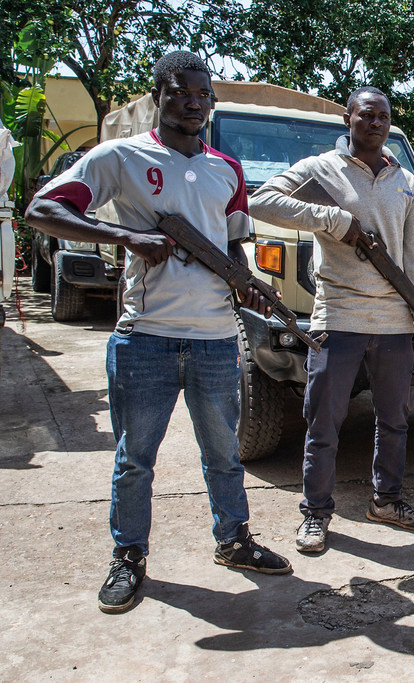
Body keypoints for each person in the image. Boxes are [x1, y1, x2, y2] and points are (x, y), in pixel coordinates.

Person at [25, 51, 292, 614]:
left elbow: (234, 246)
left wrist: (245, 284)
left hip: (216, 339)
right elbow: (42, 210)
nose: (194, 103)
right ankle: (129, 557)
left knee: (224, 454)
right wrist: (125, 237)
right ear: (159, 96)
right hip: (144, 336)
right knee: (135, 459)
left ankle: (234, 541)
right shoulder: (122, 156)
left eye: (202, 94)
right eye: (181, 92)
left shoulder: (227, 169)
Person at [249, 86, 414, 552]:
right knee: (324, 425)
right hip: (337, 317)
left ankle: (387, 501)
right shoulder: (320, 168)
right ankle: (315, 514)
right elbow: (259, 202)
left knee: (395, 422)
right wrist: (331, 220)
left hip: (394, 324)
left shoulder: (404, 180)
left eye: (384, 117)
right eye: (366, 115)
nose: (376, 123)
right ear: (348, 119)